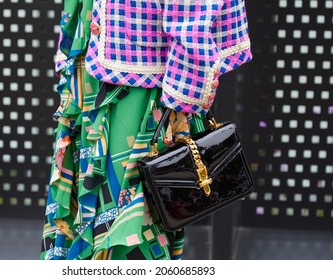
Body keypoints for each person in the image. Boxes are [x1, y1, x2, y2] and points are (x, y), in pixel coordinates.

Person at [40, 0, 252, 260]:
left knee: (131, 217)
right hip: (93, 48)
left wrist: (185, 83)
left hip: (138, 68)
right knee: (85, 197)